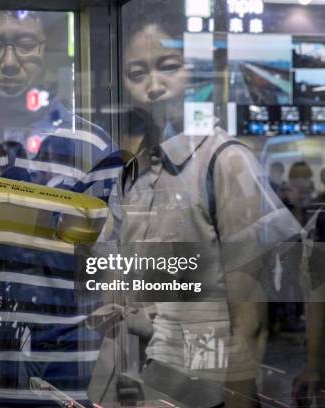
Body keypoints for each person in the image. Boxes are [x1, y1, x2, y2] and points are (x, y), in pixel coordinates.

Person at [97, 1, 304, 407]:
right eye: (137, 73)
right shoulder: (132, 175)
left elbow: (251, 318)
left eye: (169, 66)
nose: (153, 85)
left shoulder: (225, 162)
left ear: (194, 71)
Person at [0, 10, 123, 405]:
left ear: (45, 50)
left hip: (67, 366)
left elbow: (113, 264)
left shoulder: (91, 148)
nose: (9, 62)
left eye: (24, 45)